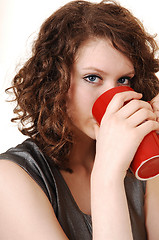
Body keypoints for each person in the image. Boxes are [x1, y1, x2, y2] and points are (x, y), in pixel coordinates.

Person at [0, 0, 159, 239]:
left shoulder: (143, 166)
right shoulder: (10, 179)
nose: (112, 97)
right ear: (55, 83)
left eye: (124, 80)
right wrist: (107, 176)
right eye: (93, 78)